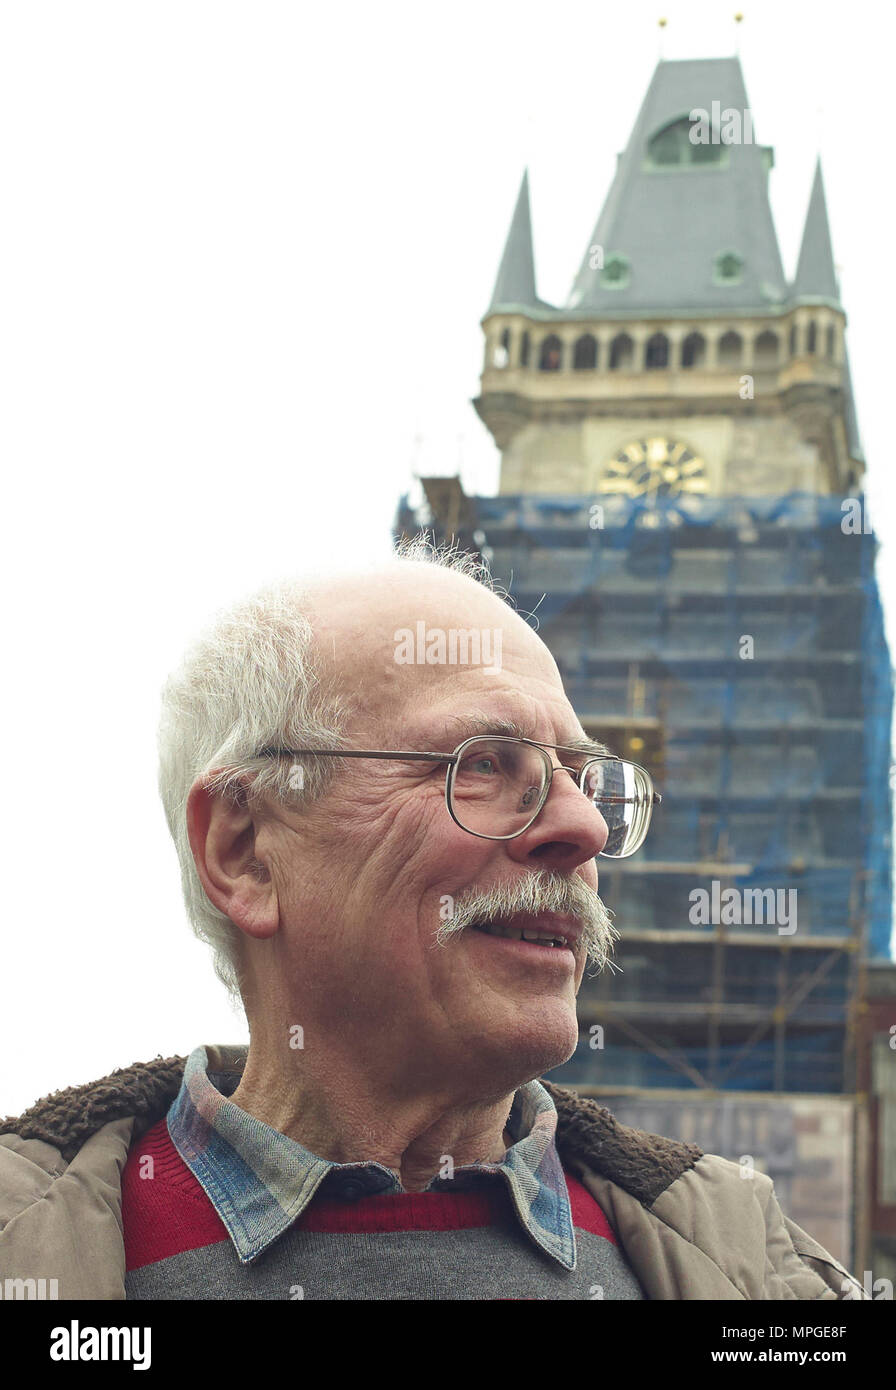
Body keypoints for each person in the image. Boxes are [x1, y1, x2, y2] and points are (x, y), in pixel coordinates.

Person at [0, 542, 866, 1299]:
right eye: (481, 764)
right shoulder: (30, 1246)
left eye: (581, 778)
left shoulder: (759, 1273)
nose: (585, 829)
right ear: (245, 850)